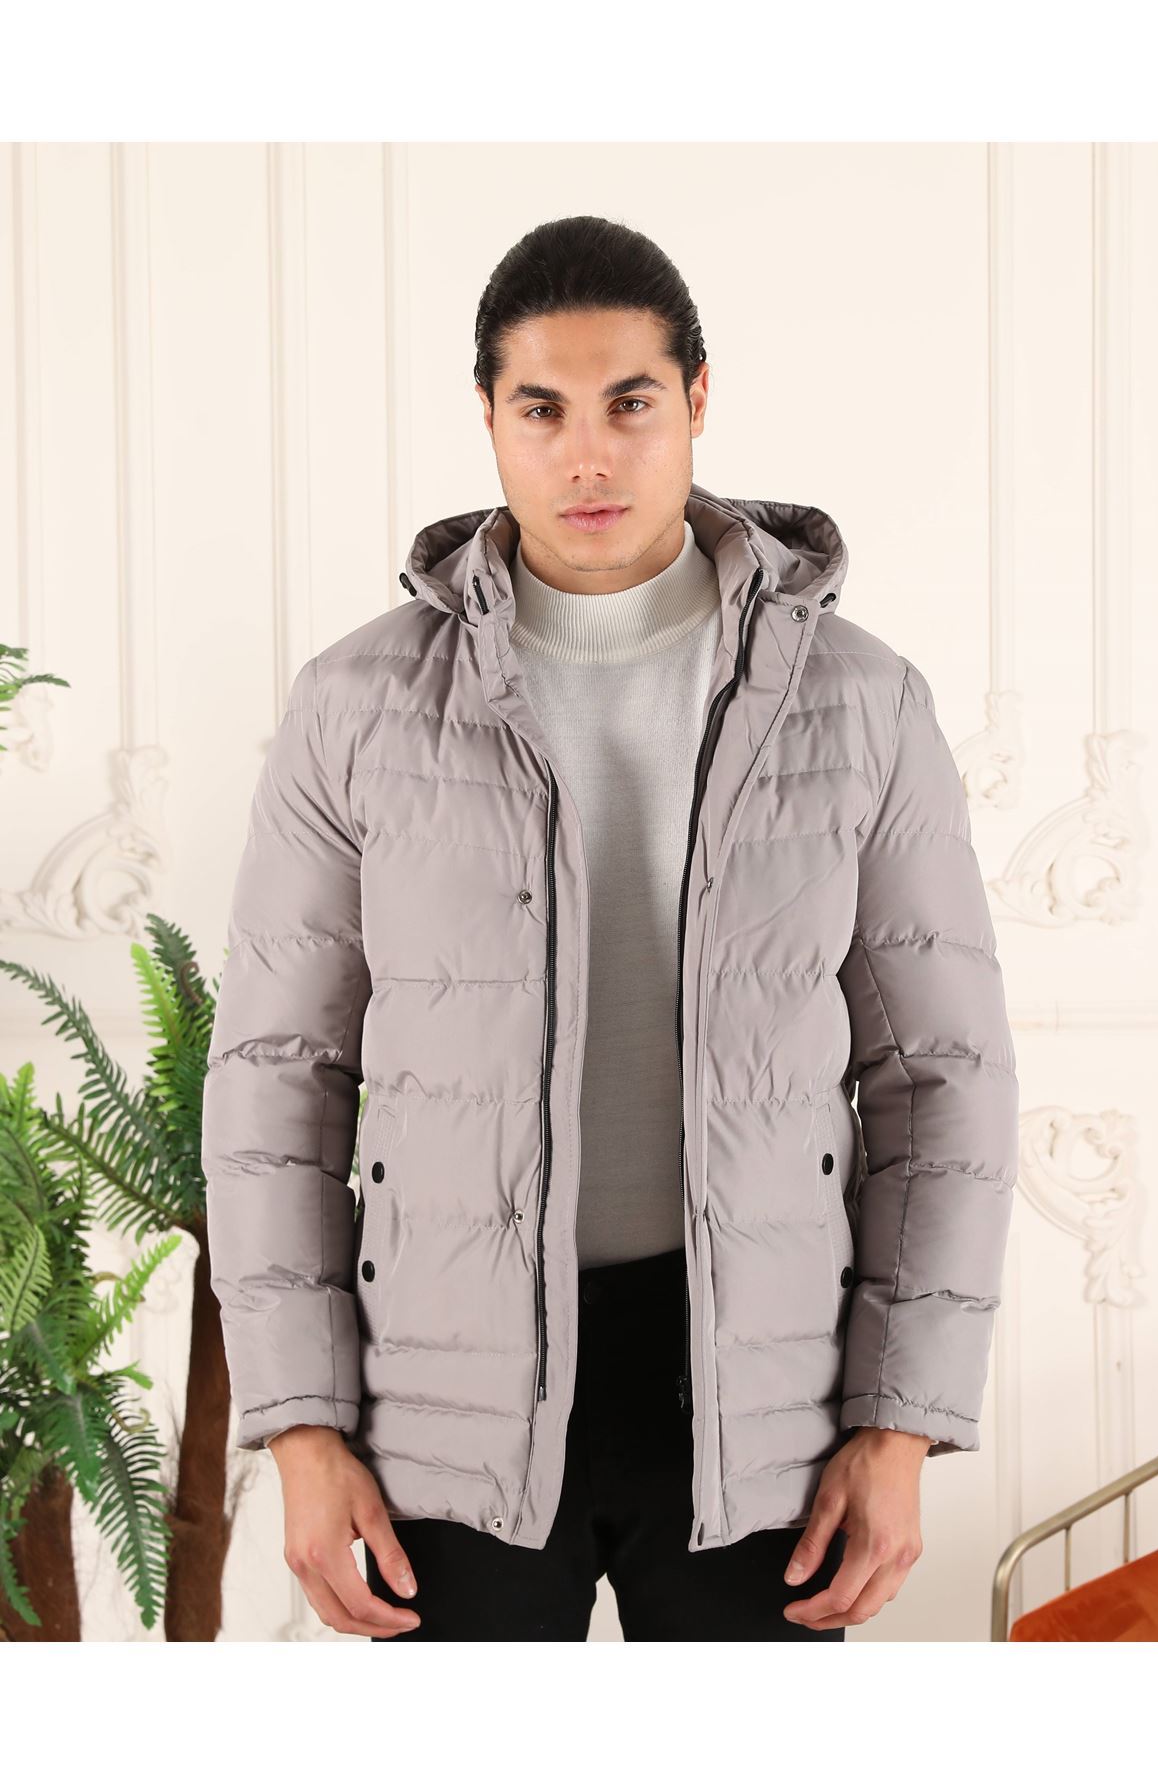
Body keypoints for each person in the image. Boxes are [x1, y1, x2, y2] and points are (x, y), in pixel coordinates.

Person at [202, 215, 1019, 1642]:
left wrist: (898, 1425)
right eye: (543, 410)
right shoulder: (356, 706)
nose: (588, 455)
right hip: (445, 1403)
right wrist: (304, 1432)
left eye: (629, 403)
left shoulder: (863, 701)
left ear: (697, 399)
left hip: (762, 1407)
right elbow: (278, 1080)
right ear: (488, 419)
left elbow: (943, 1078)